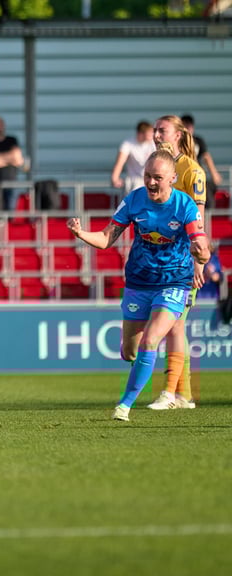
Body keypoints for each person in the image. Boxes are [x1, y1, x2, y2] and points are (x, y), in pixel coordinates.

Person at [67, 150, 210, 421]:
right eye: (147, 176)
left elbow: (201, 245)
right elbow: (106, 238)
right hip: (139, 282)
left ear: (172, 178)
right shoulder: (134, 200)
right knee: (129, 351)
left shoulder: (185, 205)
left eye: (158, 177)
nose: (151, 182)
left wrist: (201, 255)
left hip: (174, 282)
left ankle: (125, 405)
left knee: (151, 339)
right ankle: (135, 361)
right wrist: (80, 233)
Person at [148, 115, 207, 410]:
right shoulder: (157, 166)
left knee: (174, 323)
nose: (156, 135)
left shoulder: (192, 171)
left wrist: (199, 261)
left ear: (178, 135)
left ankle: (171, 393)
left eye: (162, 130)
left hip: (184, 259)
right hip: (162, 259)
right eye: (155, 130)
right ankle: (183, 394)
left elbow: (198, 219)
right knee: (174, 325)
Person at [181, 114, 224, 195]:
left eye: (189, 126)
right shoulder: (177, 141)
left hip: (196, 174)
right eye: (185, 125)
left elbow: (206, 157)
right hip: (182, 175)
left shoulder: (198, 141)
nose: (188, 128)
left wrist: (214, 174)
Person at [110, 121, 155, 193]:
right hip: (134, 181)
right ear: (141, 133)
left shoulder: (154, 144)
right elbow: (120, 162)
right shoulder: (128, 144)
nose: (152, 135)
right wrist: (115, 178)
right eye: (149, 132)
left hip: (151, 180)